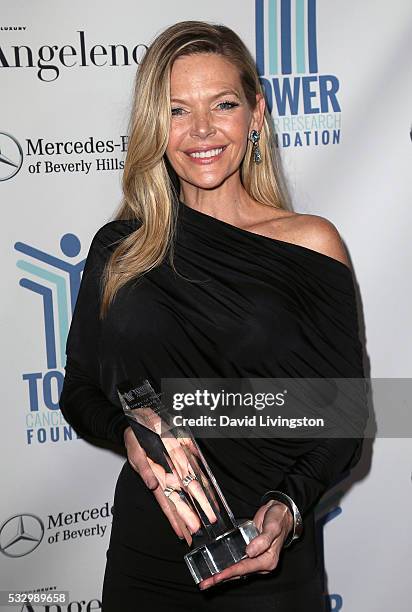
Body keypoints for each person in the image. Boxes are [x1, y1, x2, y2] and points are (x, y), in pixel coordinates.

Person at [59, 20, 367, 612]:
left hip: (264, 554)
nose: (200, 130)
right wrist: (131, 432)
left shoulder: (310, 244)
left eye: (222, 104)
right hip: (146, 554)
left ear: (255, 115)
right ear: (156, 126)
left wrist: (289, 508)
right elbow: (79, 390)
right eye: (177, 110)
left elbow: (344, 416)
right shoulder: (120, 247)